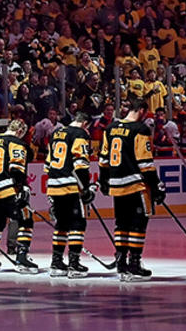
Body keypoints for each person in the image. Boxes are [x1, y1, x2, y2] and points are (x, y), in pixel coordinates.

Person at [99, 109, 162, 282]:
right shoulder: (140, 129)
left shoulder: (110, 128)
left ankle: (121, 261)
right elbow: (145, 162)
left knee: (121, 224)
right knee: (138, 224)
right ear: (140, 110)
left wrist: (103, 180)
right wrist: (156, 186)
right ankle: (134, 263)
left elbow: (103, 159)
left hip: (116, 184)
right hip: (135, 184)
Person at [0, 119, 37, 273]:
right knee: (26, 219)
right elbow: (17, 168)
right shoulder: (16, 143)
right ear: (20, 132)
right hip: (8, 189)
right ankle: (22, 257)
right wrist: (22, 187)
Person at [45, 113, 93, 277]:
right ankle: (74, 263)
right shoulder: (80, 134)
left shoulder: (56, 133)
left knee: (62, 224)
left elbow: (47, 165)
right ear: (84, 124)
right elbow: (80, 164)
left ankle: (56, 262)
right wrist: (85, 188)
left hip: (54, 183)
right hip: (70, 185)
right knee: (78, 224)